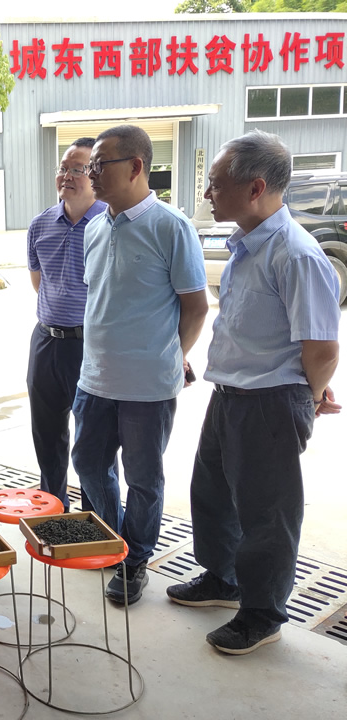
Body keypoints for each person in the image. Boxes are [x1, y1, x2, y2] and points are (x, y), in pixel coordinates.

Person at [166, 131, 341, 654]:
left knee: (267, 514)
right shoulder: (248, 244)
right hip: (231, 394)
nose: (208, 194)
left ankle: (262, 613)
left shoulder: (296, 254)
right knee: (214, 494)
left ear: (256, 188)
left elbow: (322, 348)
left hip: (269, 401)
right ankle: (223, 579)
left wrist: (309, 397)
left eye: (216, 184)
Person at [72, 125, 208, 605]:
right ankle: (114, 541)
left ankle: (135, 561)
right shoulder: (94, 226)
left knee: (144, 479)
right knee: (88, 463)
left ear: (135, 166)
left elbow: (196, 307)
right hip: (95, 378)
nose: (90, 174)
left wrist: (174, 355)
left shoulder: (171, 226)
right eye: (88, 166)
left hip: (148, 386)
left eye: (99, 164)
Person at [26, 137, 106, 510]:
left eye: (78, 169)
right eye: (63, 168)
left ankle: (95, 519)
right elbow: (38, 281)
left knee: (93, 440)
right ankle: (54, 511)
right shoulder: (40, 224)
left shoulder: (110, 224)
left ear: (96, 174)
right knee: (47, 435)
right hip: (46, 340)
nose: (67, 176)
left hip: (91, 344)